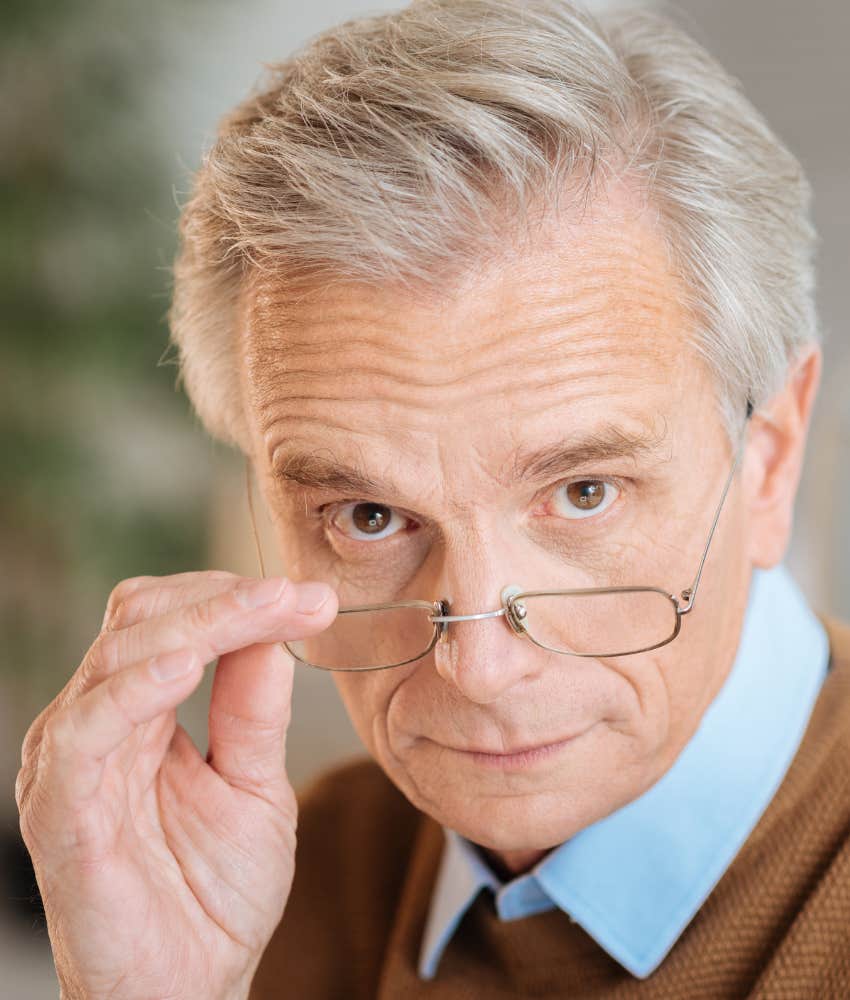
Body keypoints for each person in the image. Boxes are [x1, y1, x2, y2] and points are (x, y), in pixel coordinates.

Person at [15, 0, 850, 996]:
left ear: (770, 457)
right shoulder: (281, 874)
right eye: (368, 516)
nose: (480, 667)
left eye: (583, 492)